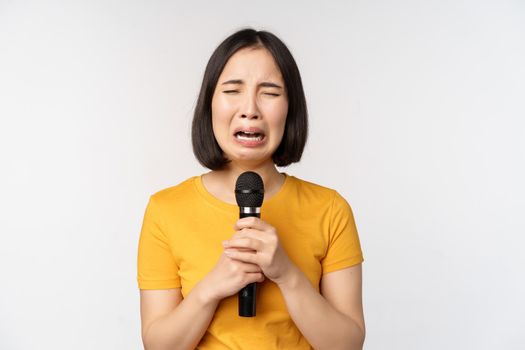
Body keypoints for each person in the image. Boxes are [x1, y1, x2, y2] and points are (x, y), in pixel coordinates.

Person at [137, 28, 365, 350]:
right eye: (232, 90)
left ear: (291, 108)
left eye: (269, 92)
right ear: (209, 104)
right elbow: (158, 346)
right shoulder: (165, 209)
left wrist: (287, 273)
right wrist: (211, 288)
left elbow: (348, 345)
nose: (250, 109)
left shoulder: (330, 209)